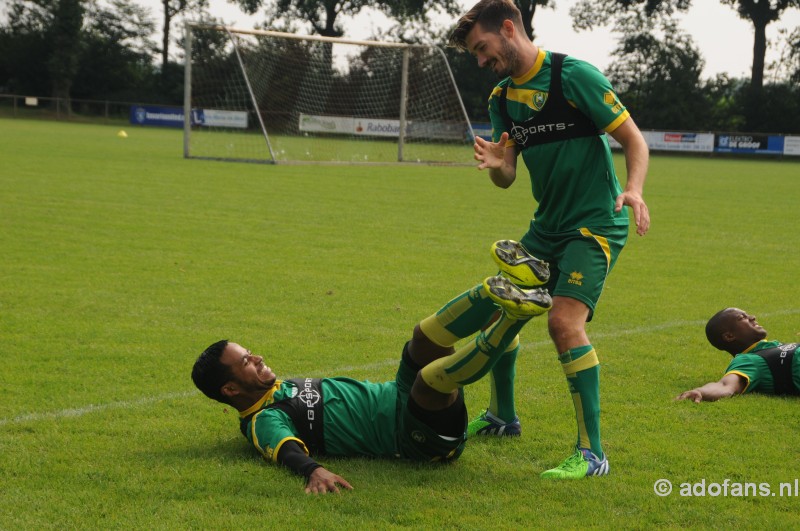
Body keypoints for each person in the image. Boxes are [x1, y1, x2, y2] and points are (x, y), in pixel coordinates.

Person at [448, 0, 651, 479]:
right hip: (546, 227)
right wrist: (499, 166)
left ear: (507, 28)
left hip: (595, 224)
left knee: (563, 324)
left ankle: (593, 454)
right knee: (505, 306)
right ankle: (502, 416)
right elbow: (507, 175)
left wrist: (634, 190)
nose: (480, 61)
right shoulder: (501, 99)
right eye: (474, 55)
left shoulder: (572, 76)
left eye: (482, 48)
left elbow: (634, 140)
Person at [191, 242, 552, 494]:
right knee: (431, 380)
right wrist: (313, 471)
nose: (256, 358)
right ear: (230, 390)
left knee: (422, 338)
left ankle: (498, 290)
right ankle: (514, 317)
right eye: (245, 362)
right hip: (414, 437)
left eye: (250, 352)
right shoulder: (262, 419)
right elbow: (284, 449)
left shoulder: (274, 389)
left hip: (398, 393)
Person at [676, 308, 800, 402]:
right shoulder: (747, 360)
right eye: (742, 318)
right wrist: (700, 391)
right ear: (730, 336)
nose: (752, 317)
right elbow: (725, 385)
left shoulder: (771, 346)